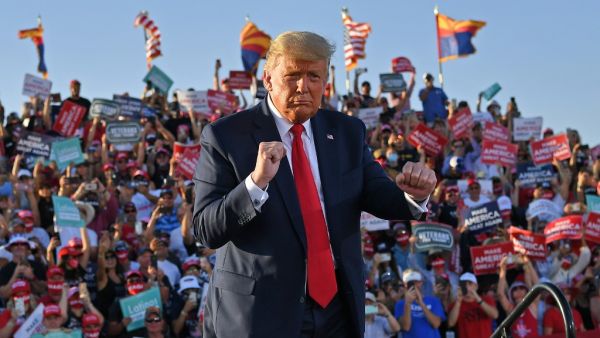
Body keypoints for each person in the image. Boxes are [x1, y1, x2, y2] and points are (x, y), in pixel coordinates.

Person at [193, 31, 436, 338]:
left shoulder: (347, 131)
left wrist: (414, 196)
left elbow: (378, 193)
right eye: (292, 75)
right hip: (260, 314)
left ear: (325, 82)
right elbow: (205, 228)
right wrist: (255, 184)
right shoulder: (226, 136)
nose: (303, 86)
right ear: (267, 79)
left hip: (337, 310)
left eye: (314, 76)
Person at [394, 269, 445, 338]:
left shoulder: (433, 300)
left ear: (421, 282)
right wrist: (408, 304)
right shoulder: (400, 304)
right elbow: (406, 327)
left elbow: (436, 324)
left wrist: (421, 303)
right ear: (405, 285)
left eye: (416, 282)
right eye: (411, 283)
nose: (414, 285)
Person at [447, 272, 499, 338]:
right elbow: (451, 323)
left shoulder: (486, 299)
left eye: (470, 284)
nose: (467, 287)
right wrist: (458, 302)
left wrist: (477, 298)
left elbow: (495, 315)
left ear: (476, 286)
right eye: (464, 285)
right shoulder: (455, 304)